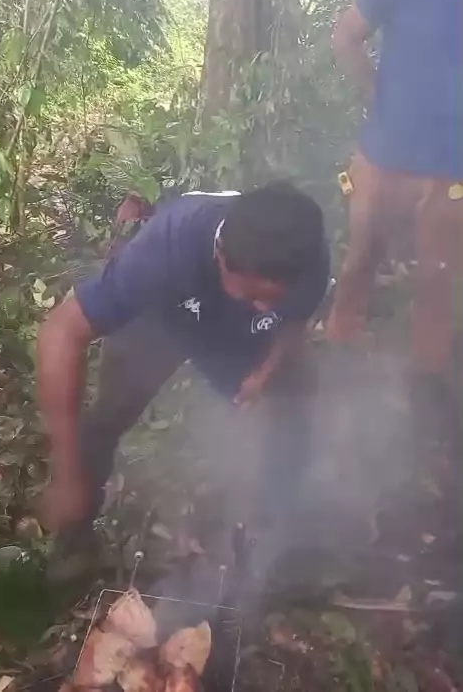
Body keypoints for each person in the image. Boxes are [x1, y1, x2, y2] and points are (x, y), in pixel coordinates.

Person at [37, 183, 330, 577]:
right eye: (252, 295)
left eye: (273, 299)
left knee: (296, 403)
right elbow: (60, 333)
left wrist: (264, 373)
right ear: (220, 254)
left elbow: (293, 320)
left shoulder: (306, 255)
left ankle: (272, 532)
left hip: (240, 335)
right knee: (108, 418)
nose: (264, 307)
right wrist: (67, 473)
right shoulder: (164, 248)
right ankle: (74, 537)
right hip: (160, 317)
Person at [326, 0, 463, 415]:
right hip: (385, 154)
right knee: (363, 252)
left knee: (440, 271)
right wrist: (372, 91)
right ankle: (341, 338)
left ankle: (428, 376)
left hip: (454, 167)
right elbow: (346, 35)